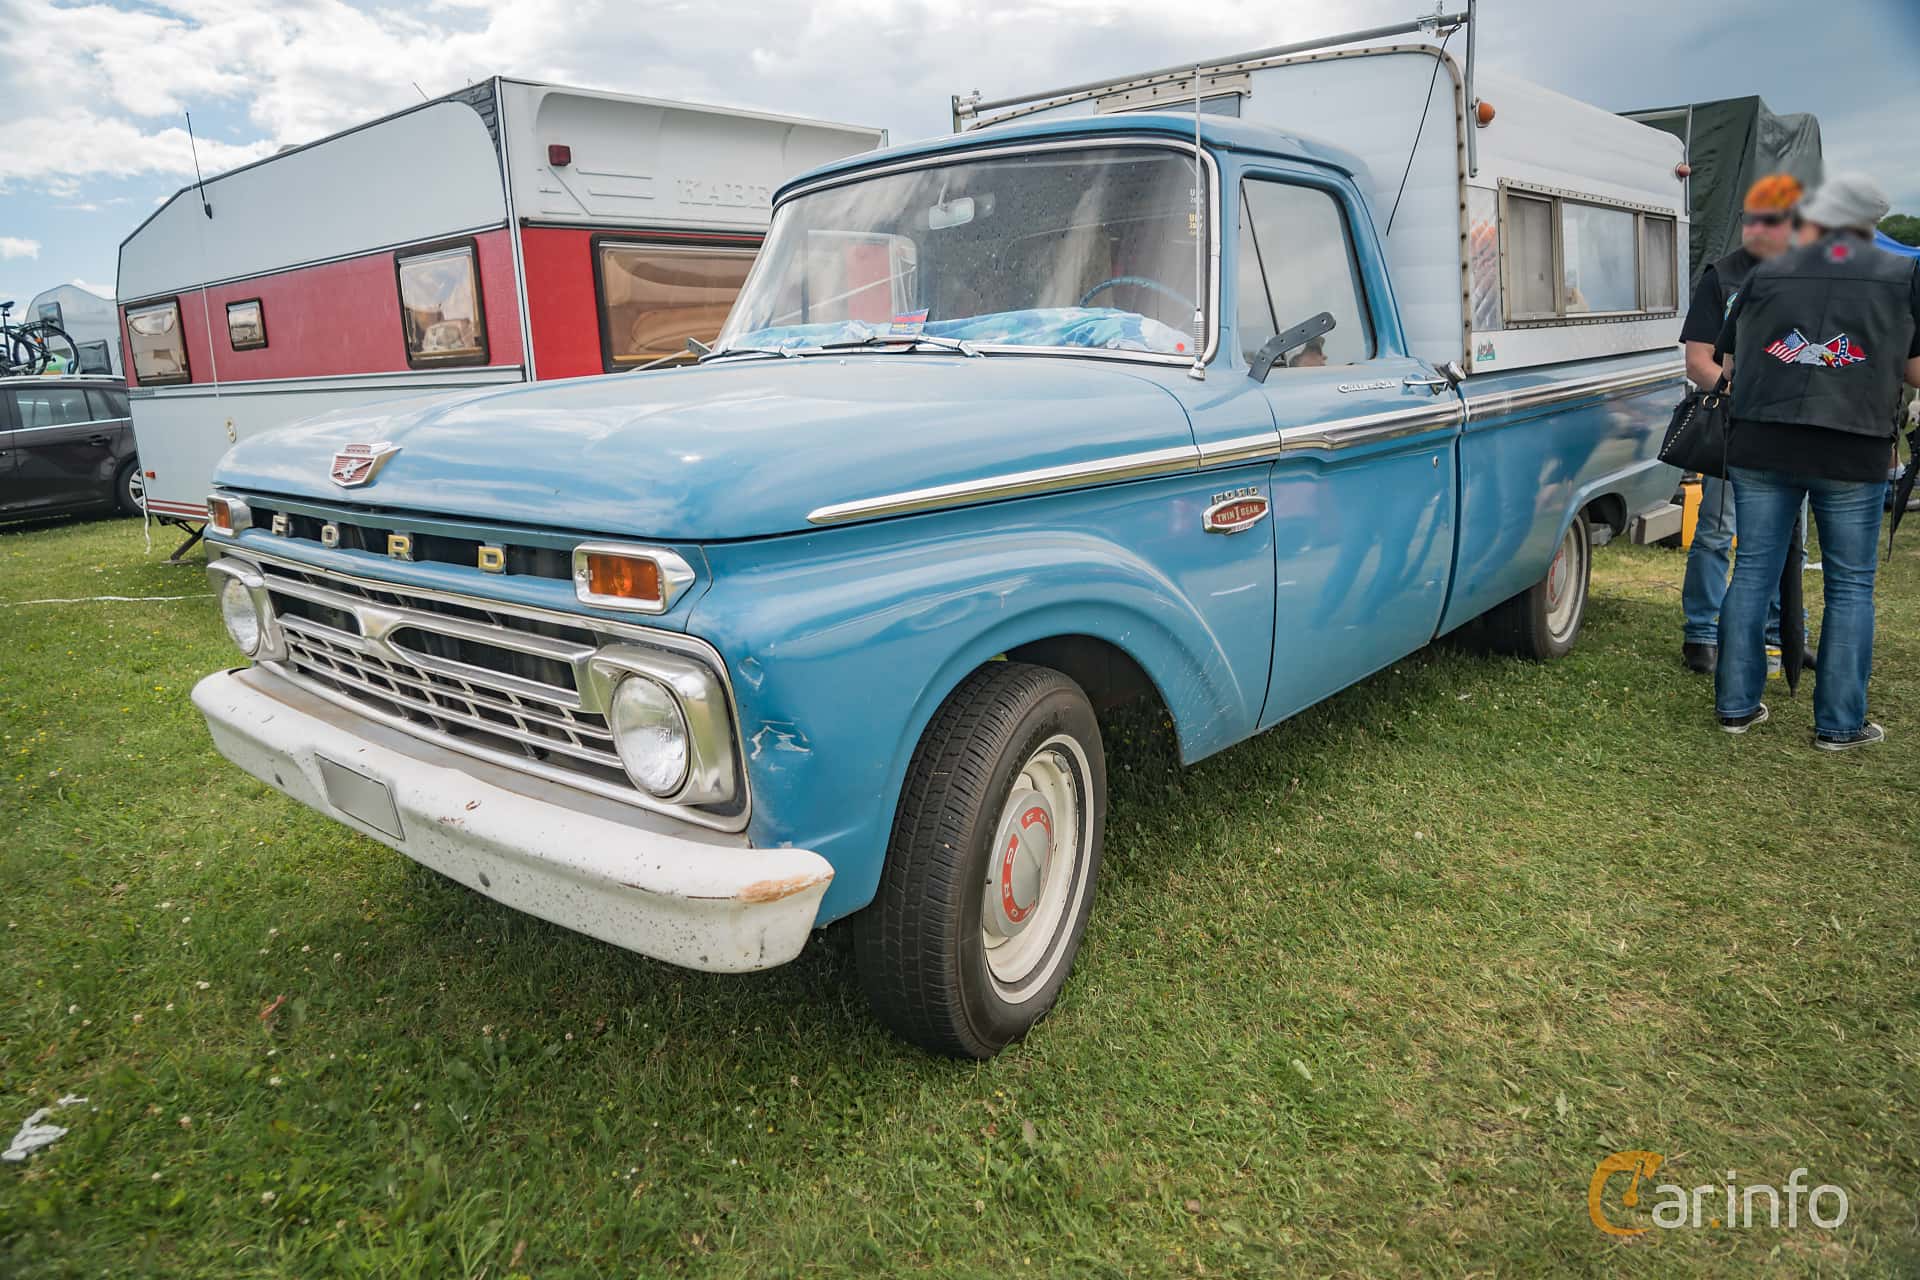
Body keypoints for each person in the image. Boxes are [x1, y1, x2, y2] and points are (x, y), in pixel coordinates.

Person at [1713, 172, 1920, 749]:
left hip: (1761, 440)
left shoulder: (1767, 268)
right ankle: (1839, 726)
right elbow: (1916, 371)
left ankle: (1735, 708)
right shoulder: (1904, 272)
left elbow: (1727, 362)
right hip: (1851, 446)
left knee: (1751, 571)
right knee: (1850, 587)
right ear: (1874, 220)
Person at [1676, 174, 1804, 675]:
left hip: (1795, 430)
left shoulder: (1807, 277)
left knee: (1790, 539)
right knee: (1716, 531)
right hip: (1735, 428)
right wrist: (1740, 400)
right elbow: (1698, 361)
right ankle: (1702, 634)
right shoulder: (1723, 276)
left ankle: (1781, 635)